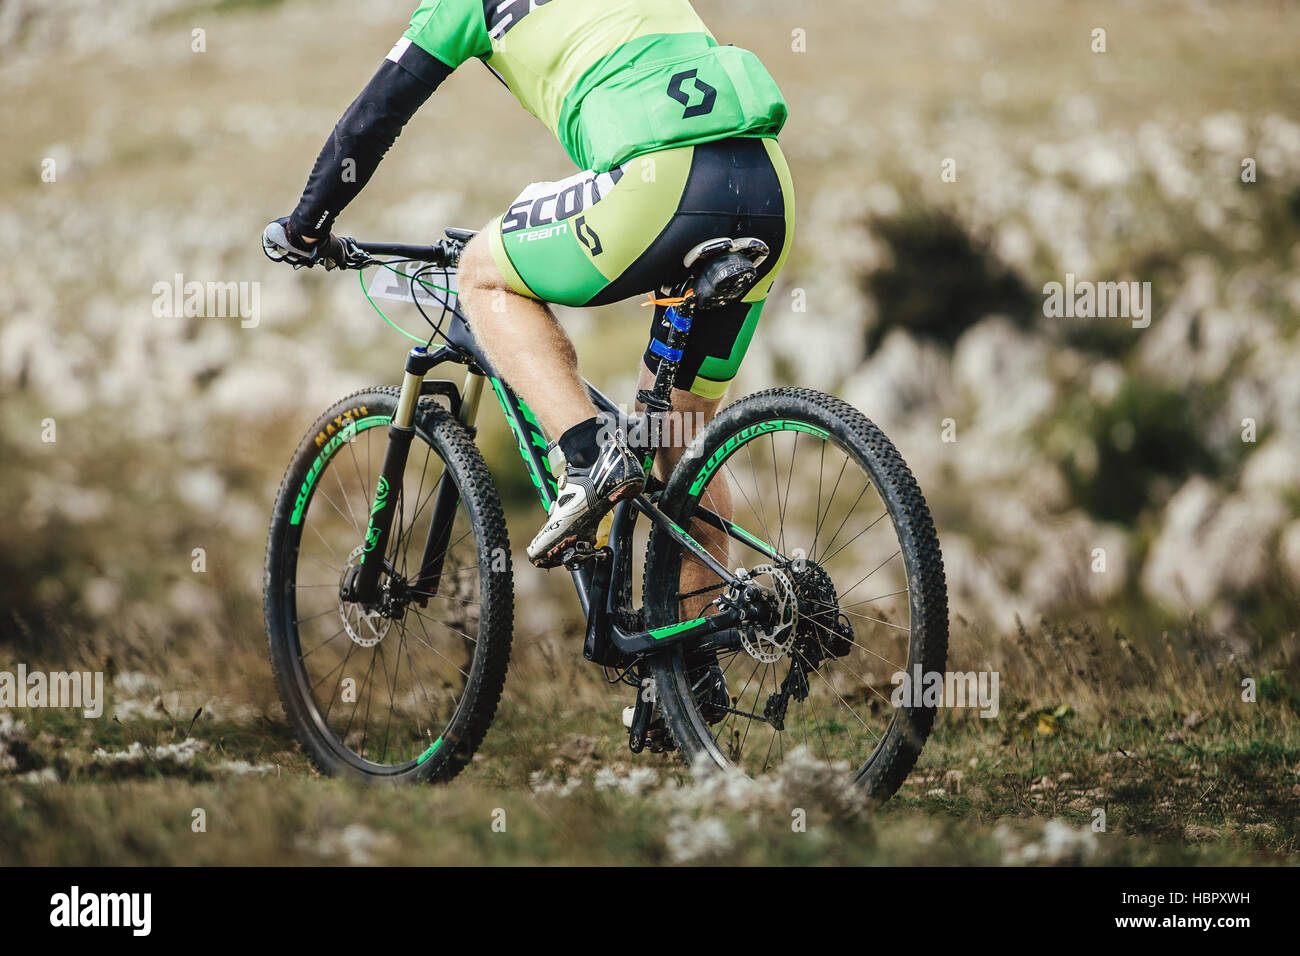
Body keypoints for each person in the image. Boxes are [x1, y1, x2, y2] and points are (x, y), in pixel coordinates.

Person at [263, 0, 795, 572]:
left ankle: (589, 459)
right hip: (767, 188)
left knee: (481, 272)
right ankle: (697, 651)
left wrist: (304, 229)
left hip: (661, 183)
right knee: (681, 448)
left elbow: (373, 118)